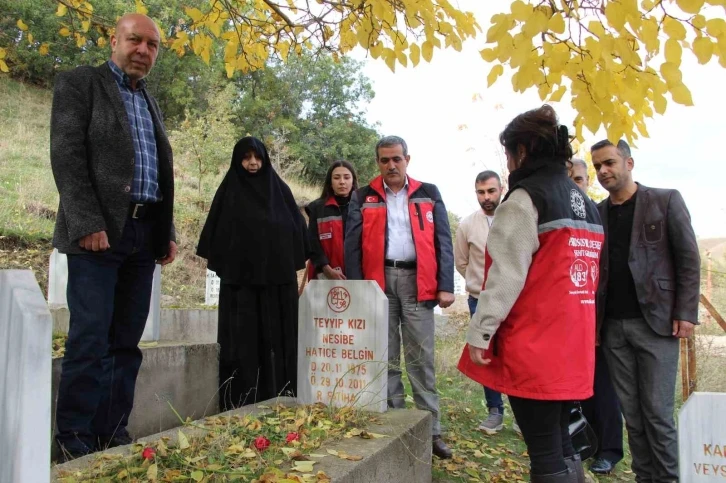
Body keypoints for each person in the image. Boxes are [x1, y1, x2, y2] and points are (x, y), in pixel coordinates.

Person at [50, 13, 177, 460]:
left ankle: (111, 432)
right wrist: (86, 222)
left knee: (127, 341)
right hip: (97, 234)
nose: (144, 50)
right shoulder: (81, 83)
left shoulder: (149, 101)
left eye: (153, 45)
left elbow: (157, 170)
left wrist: (167, 231)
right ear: (114, 40)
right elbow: (66, 154)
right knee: (90, 338)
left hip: (143, 235)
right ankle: (73, 438)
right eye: (135, 40)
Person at [458, 105, 603, 483]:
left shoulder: (524, 200)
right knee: (562, 442)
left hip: (535, 344)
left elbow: (506, 277)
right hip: (574, 342)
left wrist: (481, 332)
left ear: (521, 152)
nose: (507, 164)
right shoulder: (584, 201)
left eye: (508, 154)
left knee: (545, 453)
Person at [591, 139, 700, 482]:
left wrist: (685, 312)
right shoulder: (598, 212)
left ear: (629, 163)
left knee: (657, 415)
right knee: (633, 416)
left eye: (609, 163)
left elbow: (688, 259)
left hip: (657, 325)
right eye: (597, 167)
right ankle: (644, 477)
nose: (603, 171)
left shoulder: (665, 200)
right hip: (612, 328)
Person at [345, 135, 455, 459]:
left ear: (408, 159)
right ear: (377, 162)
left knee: (421, 358)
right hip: (379, 283)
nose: (391, 165)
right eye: (384, 160)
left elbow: (444, 241)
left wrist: (445, 284)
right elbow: (352, 244)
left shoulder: (429, 193)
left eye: (396, 159)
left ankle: (430, 430)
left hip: (417, 281)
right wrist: (357, 286)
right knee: (386, 355)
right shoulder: (363, 196)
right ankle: (397, 423)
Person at [197, 136, 308, 411]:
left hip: (277, 284)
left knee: (280, 340)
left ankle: (283, 396)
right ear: (238, 160)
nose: (253, 163)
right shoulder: (229, 191)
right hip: (240, 285)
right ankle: (240, 400)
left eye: (257, 157)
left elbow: (296, 230)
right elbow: (218, 235)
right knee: (242, 342)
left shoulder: (279, 191)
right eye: (246, 158)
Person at [568, 157, 624, 475]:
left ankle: (610, 450)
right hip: (568, 318)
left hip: (598, 317)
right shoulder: (555, 216)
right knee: (579, 387)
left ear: (587, 181)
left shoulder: (601, 215)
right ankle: (585, 444)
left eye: (578, 179)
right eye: (568, 179)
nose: (573, 185)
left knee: (604, 386)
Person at [454, 170, 520, 435]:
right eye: (481, 192)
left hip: (514, 301)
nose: (487, 197)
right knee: (484, 355)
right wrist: (477, 281)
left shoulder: (516, 219)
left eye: (491, 191)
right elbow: (461, 261)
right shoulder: (468, 224)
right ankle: (495, 412)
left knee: (516, 356)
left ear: (501, 188)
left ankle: (521, 414)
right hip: (479, 300)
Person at [305, 160, 359, 280]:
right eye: (336, 178)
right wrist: (326, 268)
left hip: (356, 276)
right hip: (324, 276)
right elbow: (312, 242)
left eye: (346, 177)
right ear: (330, 182)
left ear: (353, 181)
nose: (342, 182)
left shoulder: (362, 207)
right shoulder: (317, 208)